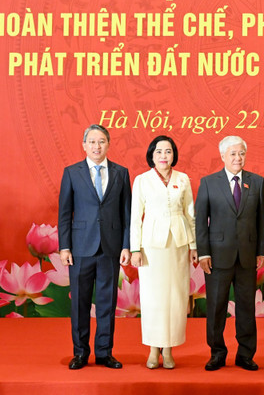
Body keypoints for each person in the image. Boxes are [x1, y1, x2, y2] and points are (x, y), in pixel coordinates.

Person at [58, 124, 131, 370]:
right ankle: (80, 353)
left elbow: (126, 214)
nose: (96, 146)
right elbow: (65, 212)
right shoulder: (72, 172)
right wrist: (64, 247)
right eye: (92, 142)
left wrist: (126, 245)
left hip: (110, 248)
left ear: (108, 144)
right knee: (79, 303)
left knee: (107, 303)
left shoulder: (121, 173)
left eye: (101, 142)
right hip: (80, 248)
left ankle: (104, 352)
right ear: (84, 145)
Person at [195, 136, 264, 371]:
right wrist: (204, 253)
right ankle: (217, 353)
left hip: (247, 256)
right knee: (216, 308)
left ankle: (246, 354)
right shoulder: (208, 182)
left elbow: (260, 220)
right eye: (233, 154)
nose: (238, 158)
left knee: (246, 307)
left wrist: (261, 251)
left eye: (241, 154)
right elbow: (200, 222)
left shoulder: (256, 182)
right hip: (217, 257)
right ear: (223, 156)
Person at [130, 135, 197, 369]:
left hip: (178, 244)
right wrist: (135, 248)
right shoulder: (142, 180)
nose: (163, 156)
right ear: (151, 154)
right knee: (153, 299)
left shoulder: (183, 179)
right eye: (159, 152)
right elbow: (135, 217)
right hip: (151, 247)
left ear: (173, 155)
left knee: (176, 298)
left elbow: (190, 214)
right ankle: (152, 349)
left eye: (168, 151)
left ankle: (168, 350)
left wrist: (194, 246)